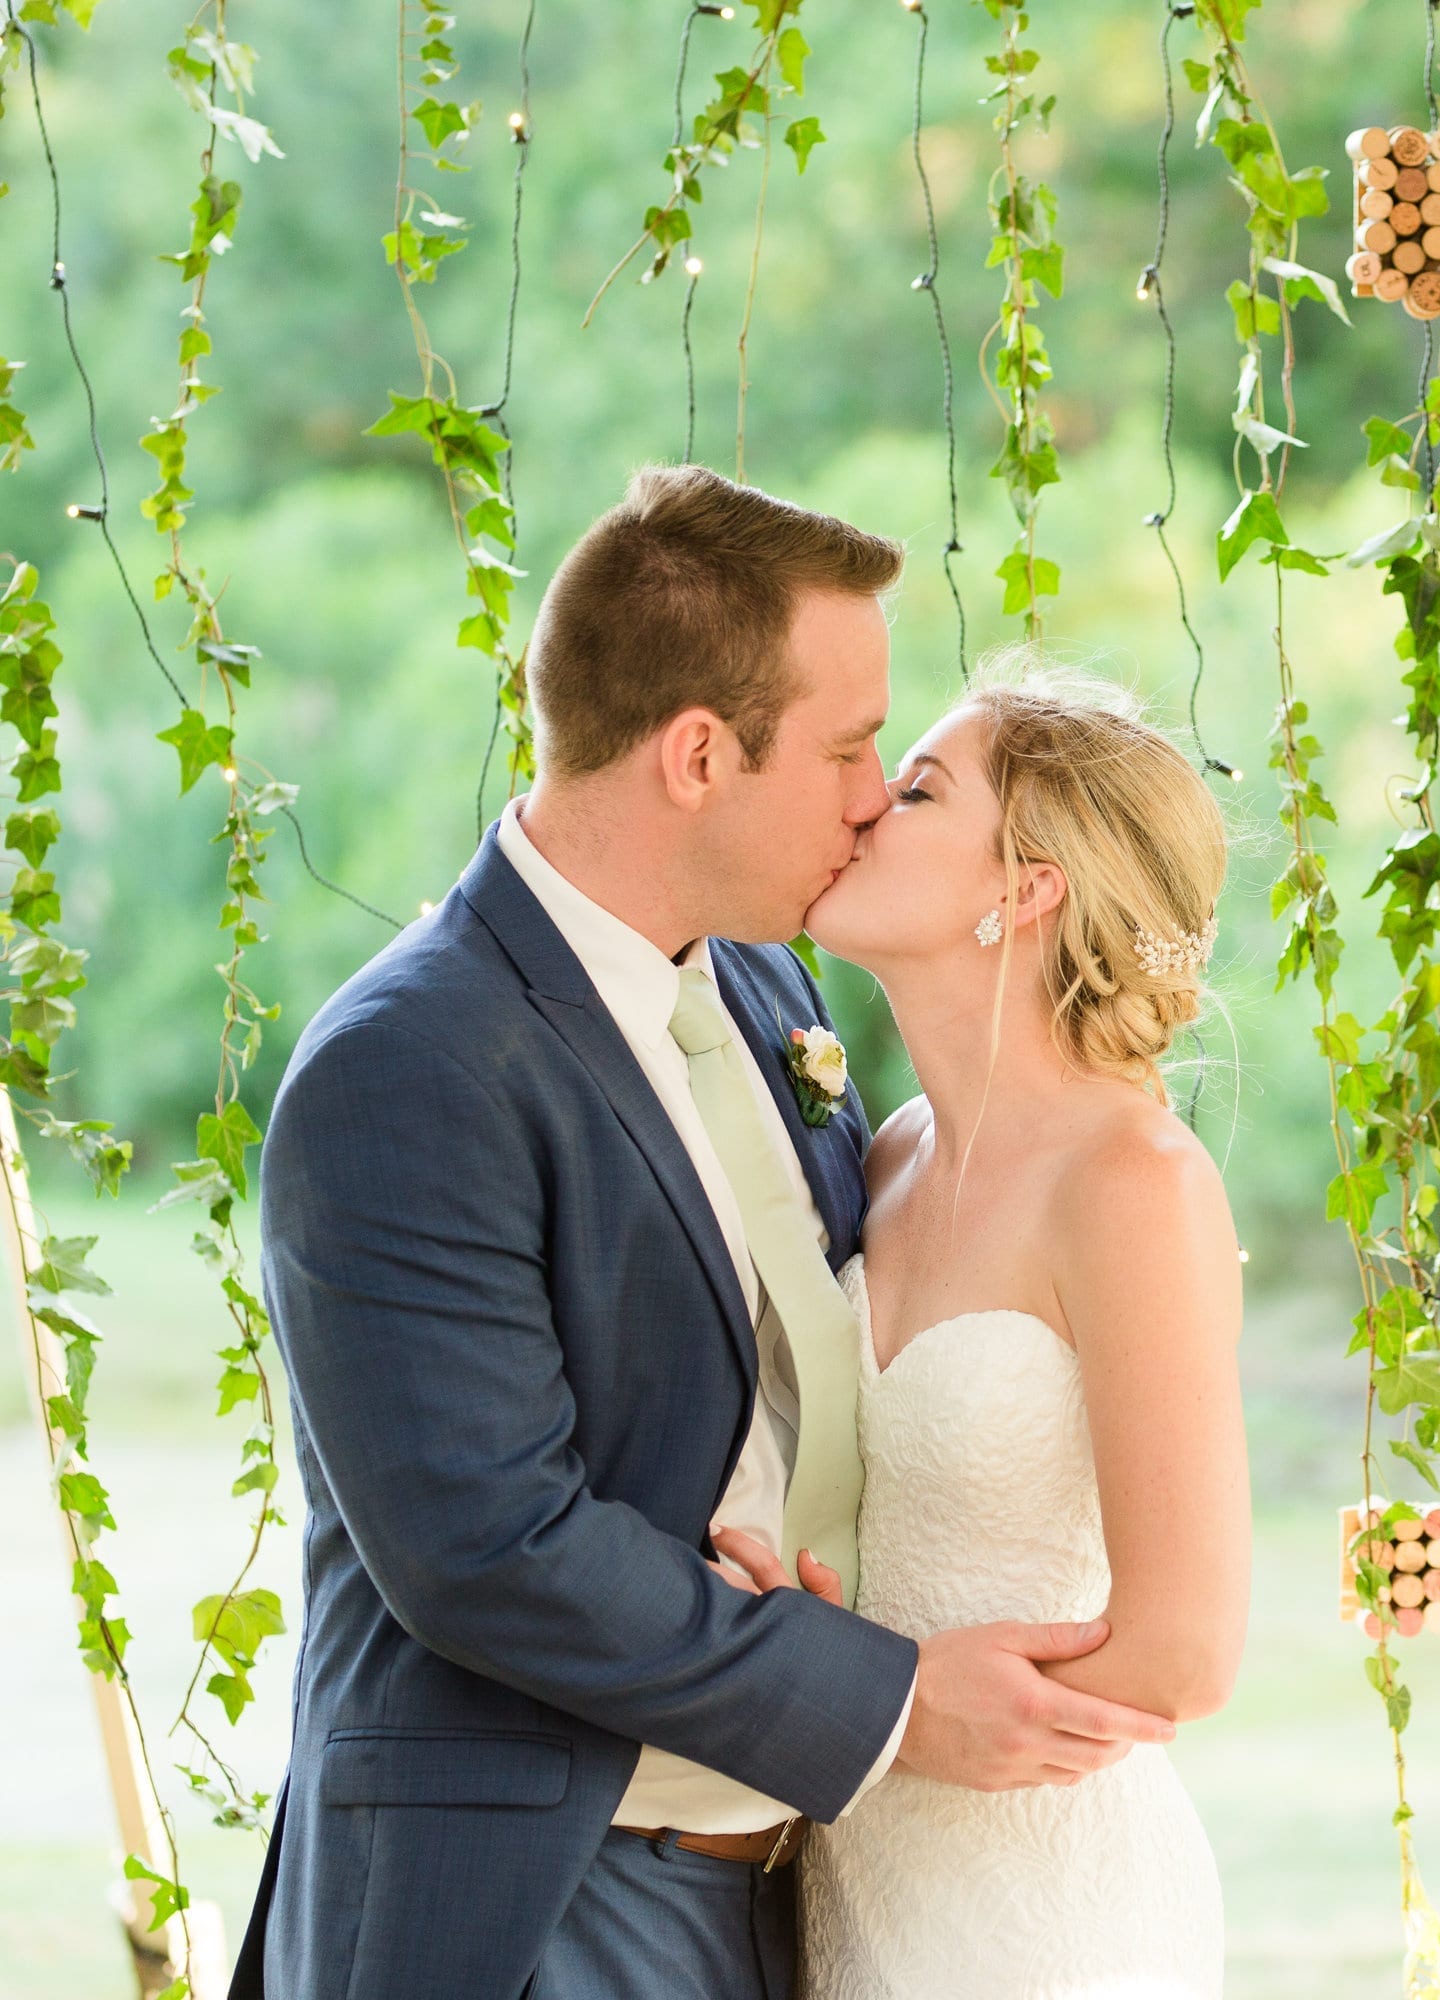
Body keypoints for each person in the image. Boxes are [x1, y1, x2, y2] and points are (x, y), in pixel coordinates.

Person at [242, 466, 1178, 2000]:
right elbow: (489, 1546)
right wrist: (886, 1703)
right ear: (696, 756)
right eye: (850, 746)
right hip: (539, 1900)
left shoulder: (768, 994)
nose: (876, 792)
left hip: (798, 1892)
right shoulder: (404, 1068)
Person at [775, 666, 1251, 1996]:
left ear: (1025, 886)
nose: (865, 807)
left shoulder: (1132, 1183)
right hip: (859, 1871)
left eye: (918, 790)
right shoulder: (888, 1155)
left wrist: (885, 1696)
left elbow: (1186, 1651)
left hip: (1045, 1906)